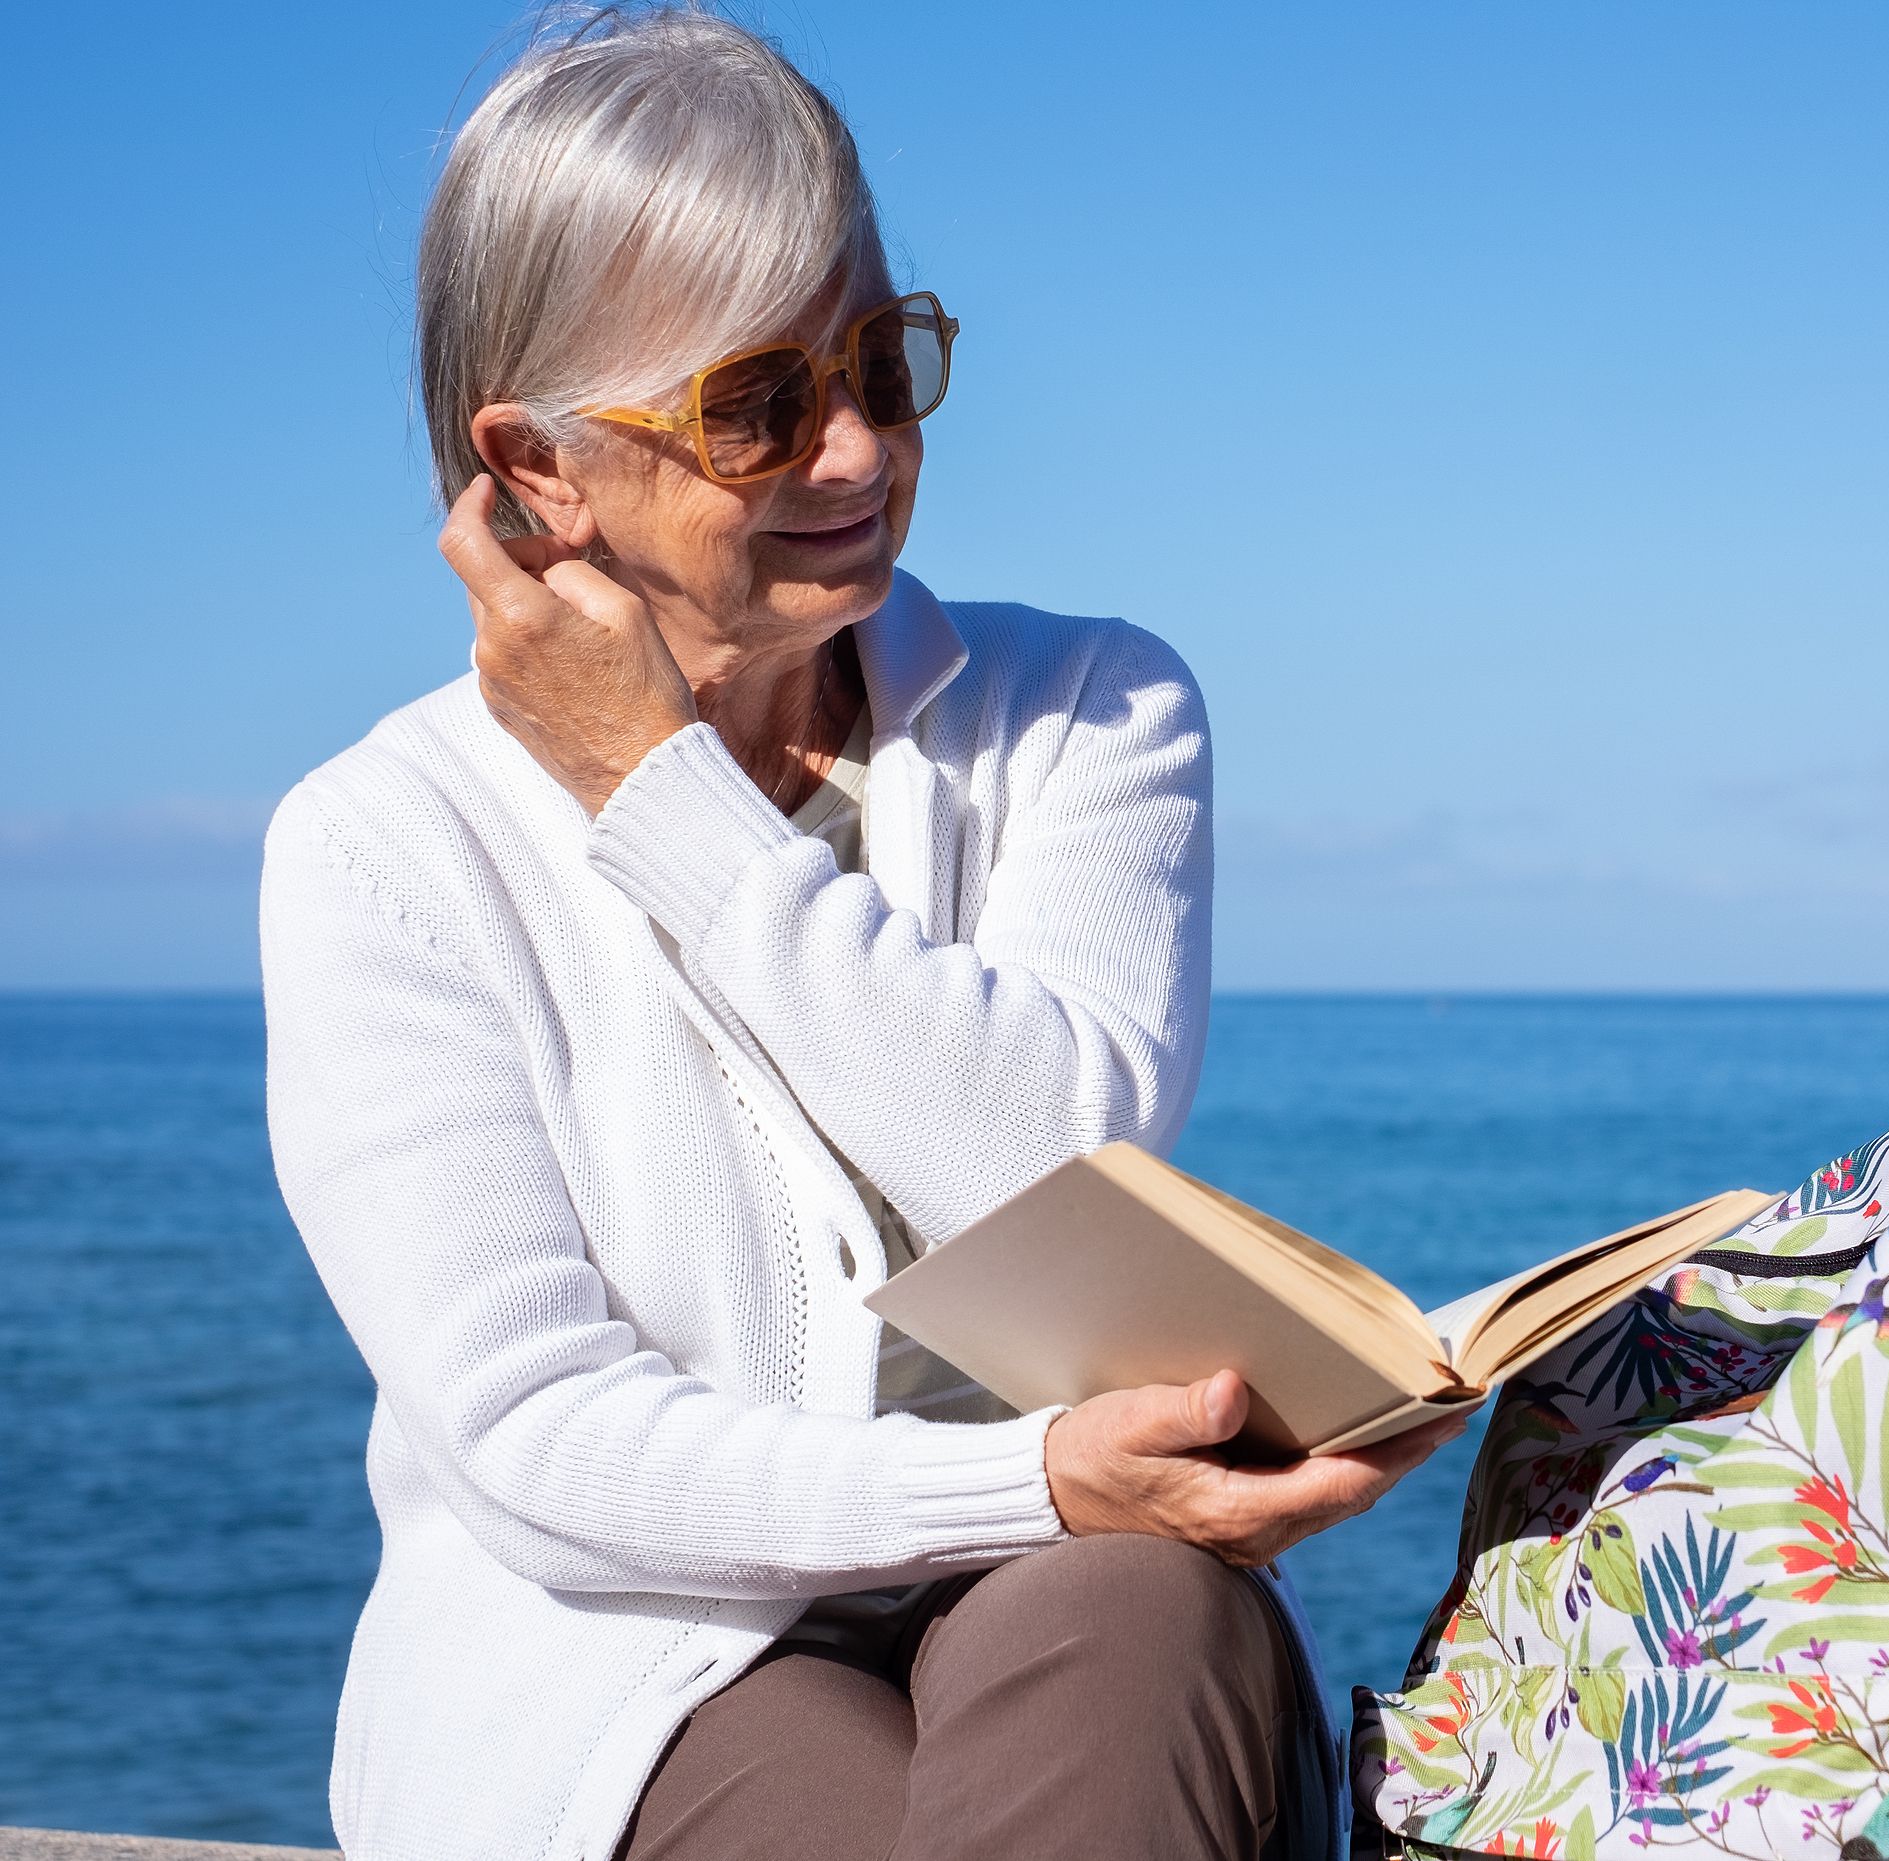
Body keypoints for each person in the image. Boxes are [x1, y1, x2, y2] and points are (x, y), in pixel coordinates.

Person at [258, 9, 1457, 1858]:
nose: (858, 450)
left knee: (1133, 1619)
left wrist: (669, 798)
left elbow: (1050, 1158)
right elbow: (543, 1444)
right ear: (544, 466)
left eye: (885, 364)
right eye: (758, 404)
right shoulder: (380, 846)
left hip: (1095, 1583)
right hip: (624, 1659)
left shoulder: (1089, 708)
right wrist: (1029, 1482)